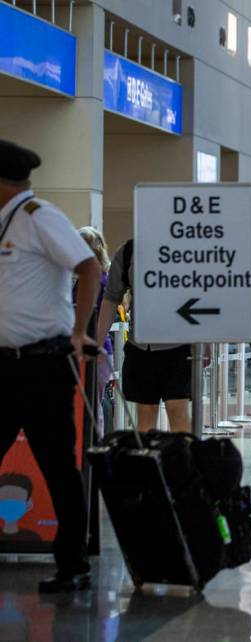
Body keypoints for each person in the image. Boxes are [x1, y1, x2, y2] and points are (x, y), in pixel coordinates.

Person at [0, 139, 100, 592]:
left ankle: (72, 563)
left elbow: (89, 266)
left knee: (58, 464)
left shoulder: (40, 217)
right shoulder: (4, 222)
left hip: (42, 365)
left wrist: (80, 331)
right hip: (4, 366)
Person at [97, 239, 192, 433]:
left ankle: (181, 461)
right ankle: (147, 461)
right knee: (145, 412)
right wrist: (98, 339)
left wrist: (204, 344)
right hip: (140, 347)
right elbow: (112, 297)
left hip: (178, 346)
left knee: (178, 411)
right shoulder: (128, 251)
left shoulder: (185, 247)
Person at [76, 227, 114, 437]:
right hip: (88, 349)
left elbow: (98, 318)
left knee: (92, 403)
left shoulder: (98, 280)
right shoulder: (85, 279)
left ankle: (94, 444)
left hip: (96, 350)